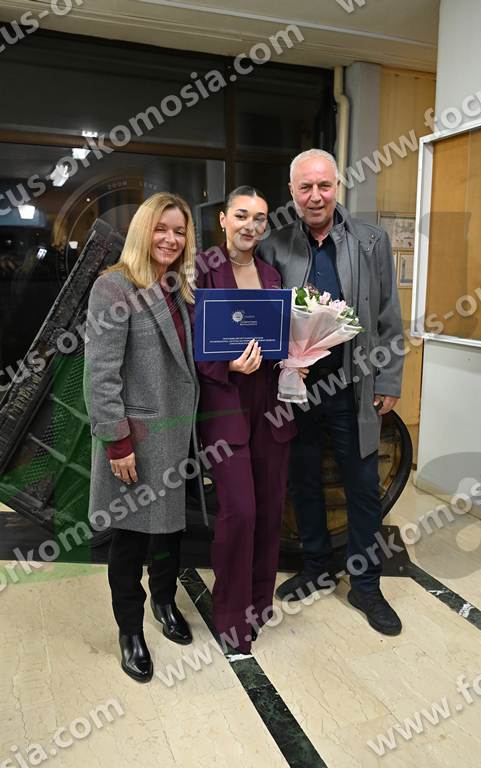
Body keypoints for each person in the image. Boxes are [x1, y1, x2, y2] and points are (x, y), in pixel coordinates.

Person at [257, 149, 404, 636]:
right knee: (303, 483)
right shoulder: (274, 245)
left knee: (362, 487)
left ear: (337, 186)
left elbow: (387, 315)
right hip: (295, 392)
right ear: (292, 192)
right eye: (305, 187)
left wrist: (388, 379)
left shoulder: (370, 241)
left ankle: (366, 585)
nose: (315, 195)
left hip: (352, 390)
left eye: (323, 185)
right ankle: (317, 568)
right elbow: (265, 316)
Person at [84, 192, 207, 682]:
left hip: (176, 436)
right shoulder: (114, 287)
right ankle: (130, 631)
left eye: (179, 231)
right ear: (142, 231)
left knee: (170, 532)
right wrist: (117, 443)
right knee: (131, 541)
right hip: (136, 440)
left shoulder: (180, 287)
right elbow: (101, 375)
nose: (171, 239)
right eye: (161, 228)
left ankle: (164, 602)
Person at [195, 186, 297, 655]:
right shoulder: (200, 270)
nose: (250, 226)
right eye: (241, 215)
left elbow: (279, 339)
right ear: (223, 219)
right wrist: (227, 365)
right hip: (225, 405)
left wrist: (297, 360)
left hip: (271, 407)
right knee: (240, 512)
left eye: (259, 218)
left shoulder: (272, 276)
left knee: (271, 511)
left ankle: (258, 605)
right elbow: (185, 341)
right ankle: (232, 618)